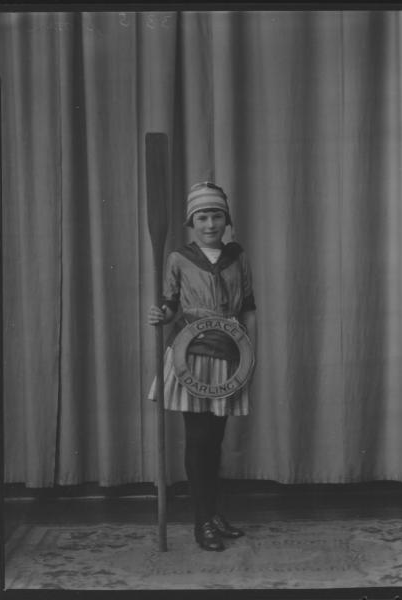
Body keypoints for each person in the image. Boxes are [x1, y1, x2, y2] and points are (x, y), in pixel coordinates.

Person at [148, 181, 257, 552]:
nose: (210, 224)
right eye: (202, 217)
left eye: (216, 216)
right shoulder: (179, 258)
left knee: (215, 440)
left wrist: (250, 353)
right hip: (190, 356)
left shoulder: (237, 256)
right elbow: (170, 304)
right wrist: (159, 314)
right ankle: (200, 523)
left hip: (229, 357)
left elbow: (249, 307)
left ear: (227, 220)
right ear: (191, 222)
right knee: (197, 440)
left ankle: (212, 514)